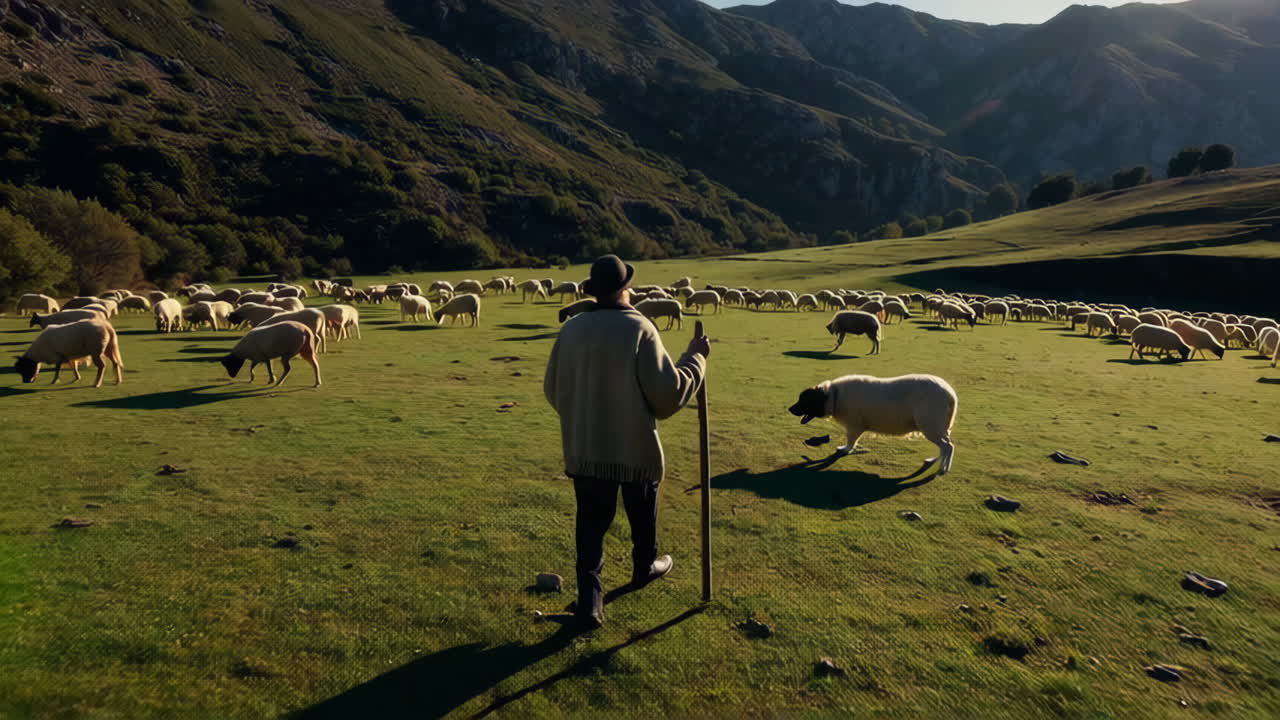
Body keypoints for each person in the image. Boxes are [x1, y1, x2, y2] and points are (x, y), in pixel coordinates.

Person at [543, 255, 709, 630]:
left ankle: (590, 604)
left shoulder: (571, 329)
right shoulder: (640, 328)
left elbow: (553, 389)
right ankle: (644, 567)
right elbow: (667, 395)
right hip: (633, 448)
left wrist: (583, 415)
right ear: (624, 289)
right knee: (641, 509)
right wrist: (695, 359)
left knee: (590, 526)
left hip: (586, 450)